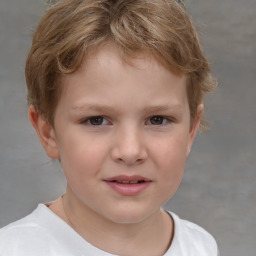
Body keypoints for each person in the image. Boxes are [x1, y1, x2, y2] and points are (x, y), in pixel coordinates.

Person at [0, 0, 219, 255]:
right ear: (48, 133)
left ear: (191, 131)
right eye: (96, 120)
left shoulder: (200, 246)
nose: (130, 151)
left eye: (157, 119)